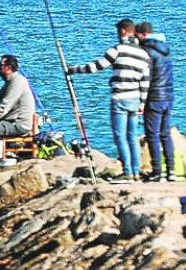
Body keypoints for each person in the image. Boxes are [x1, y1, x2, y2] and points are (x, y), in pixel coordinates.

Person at [67, 18, 151, 181]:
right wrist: (143, 102)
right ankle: (135, 170)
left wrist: (73, 70)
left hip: (119, 98)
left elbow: (96, 66)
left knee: (120, 135)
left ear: (123, 31)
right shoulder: (143, 54)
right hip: (135, 99)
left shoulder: (118, 49)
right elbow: (145, 81)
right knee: (133, 136)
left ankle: (127, 171)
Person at [136, 21, 176, 181]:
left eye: (137, 36)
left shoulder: (146, 52)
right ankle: (171, 170)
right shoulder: (165, 50)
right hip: (168, 96)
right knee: (165, 134)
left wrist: (141, 99)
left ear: (143, 35)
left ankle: (157, 171)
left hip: (154, 97)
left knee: (152, 135)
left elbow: (146, 77)